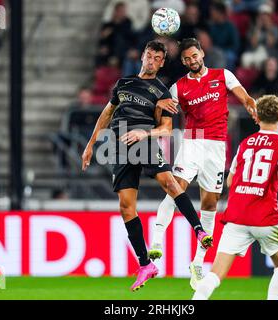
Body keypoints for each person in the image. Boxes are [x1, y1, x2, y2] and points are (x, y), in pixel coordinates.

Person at [81, 40, 213, 292]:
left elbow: (166, 128)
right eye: (148, 56)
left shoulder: (162, 93)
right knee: (126, 207)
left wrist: (144, 133)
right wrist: (90, 144)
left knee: (169, 183)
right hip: (119, 144)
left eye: (156, 58)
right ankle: (145, 264)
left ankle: (198, 230)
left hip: (142, 140)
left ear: (162, 62)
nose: (151, 61)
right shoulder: (123, 83)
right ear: (142, 56)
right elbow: (107, 114)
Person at [149, 37, 257, 290]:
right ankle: (156, 242)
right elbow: (163, 113)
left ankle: (197, 262)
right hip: (193, 141)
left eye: (194, 56)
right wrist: (157, 109)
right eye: (186, 59)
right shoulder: (179, 87)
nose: (191, 61)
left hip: (218, 146)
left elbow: (245, 97)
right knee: (177, 188)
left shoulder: (223, 75)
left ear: (202, 54)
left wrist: (252, 105)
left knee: (210, 203)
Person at [192, 94, 278, 300]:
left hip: (236, 216)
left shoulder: (245, 143)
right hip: (264, 216)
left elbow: (231, 181)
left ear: (257, 118)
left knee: (216, 272)